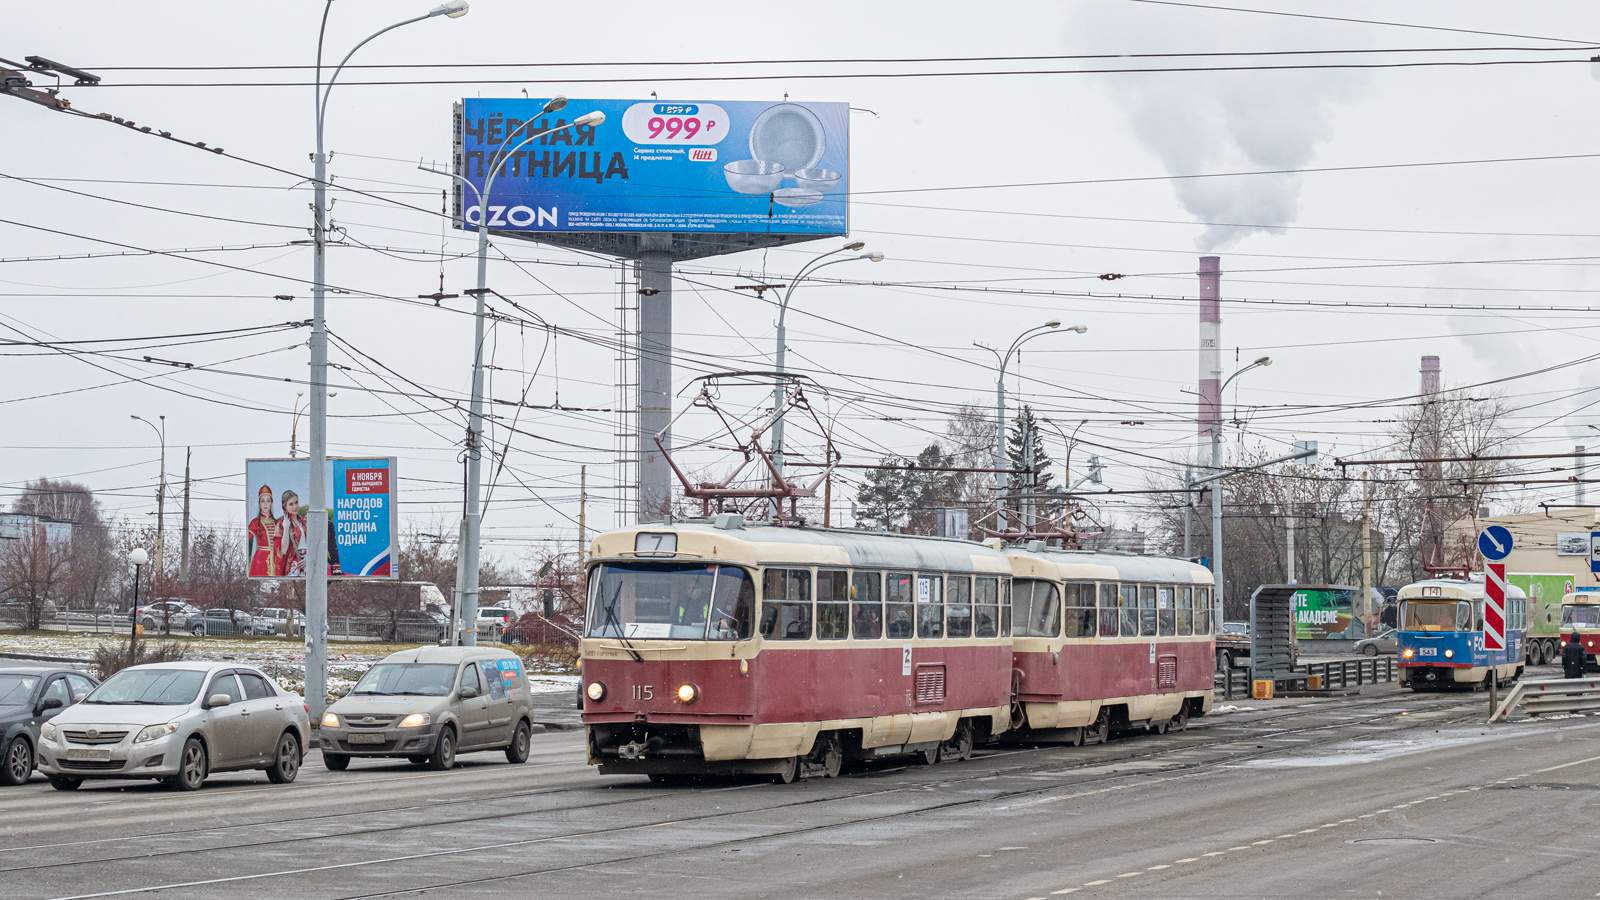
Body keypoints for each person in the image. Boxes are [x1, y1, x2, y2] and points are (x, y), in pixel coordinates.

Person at [247, 485, 280, 577]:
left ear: (271, 503)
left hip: (276, 561)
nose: (265, 504)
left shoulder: (277, 523)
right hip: (260, 561)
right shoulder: (255, 522)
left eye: (268, 501)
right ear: (259, 503)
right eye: (262, 501)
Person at [278, 489, 307, 577]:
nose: (295, 506)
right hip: (293, 565)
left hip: (308, 562)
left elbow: (314, 543)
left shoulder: (305, 521)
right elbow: (283, 550)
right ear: (285, 507)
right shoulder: (282, 523)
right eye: (291, 504)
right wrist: (286, 528)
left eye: (296, 502)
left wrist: (309, 557)